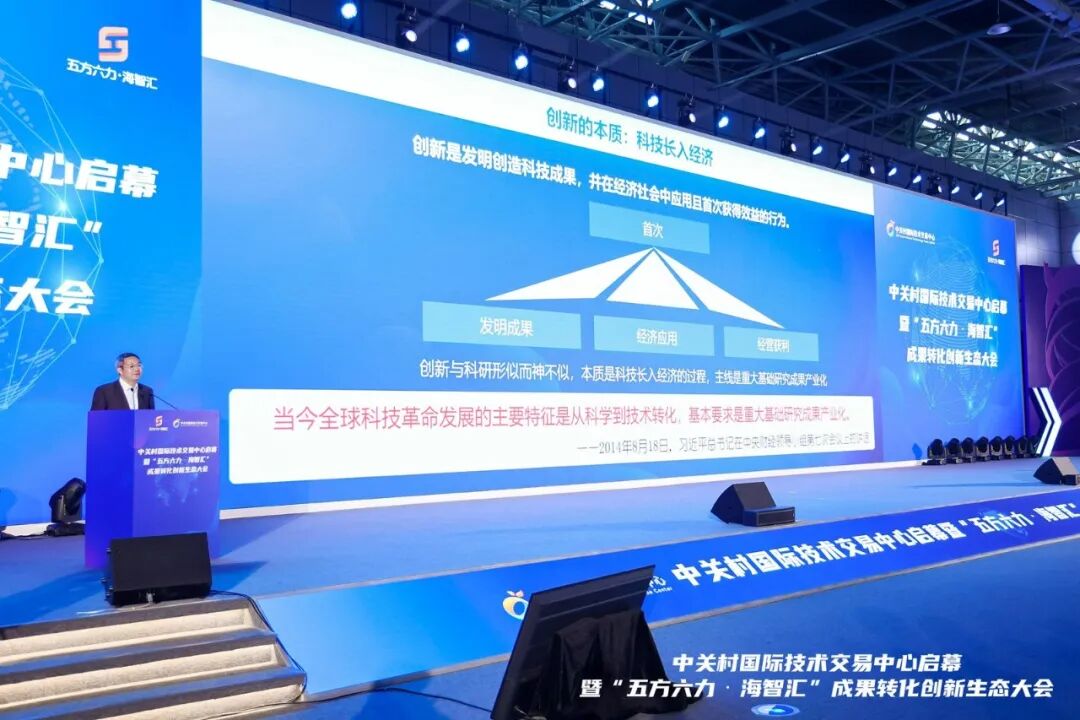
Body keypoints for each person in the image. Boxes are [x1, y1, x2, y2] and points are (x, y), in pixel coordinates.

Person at [90, 353, 155, 411]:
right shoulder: (104, 391)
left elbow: (151, 417)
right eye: (131, 366)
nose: (137, 369)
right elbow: (96, 419)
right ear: (120, 370)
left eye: (139, 365)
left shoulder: (147, 391)